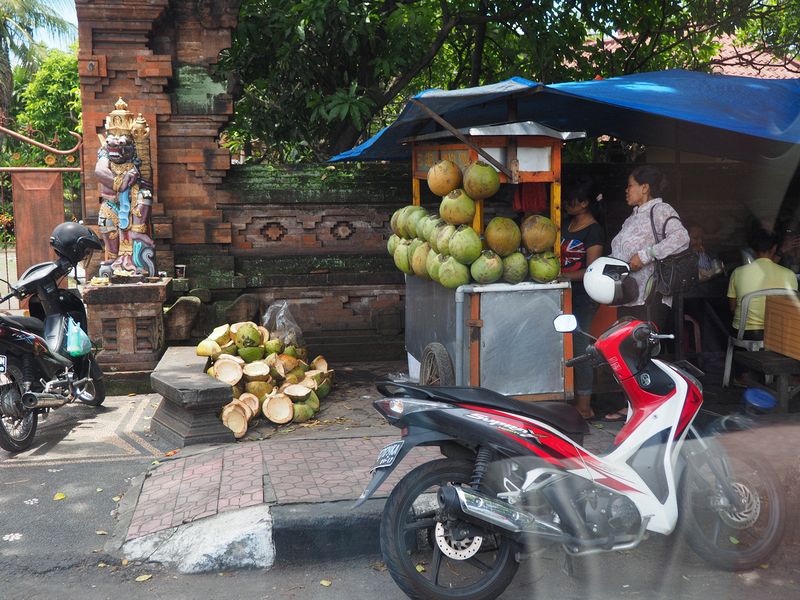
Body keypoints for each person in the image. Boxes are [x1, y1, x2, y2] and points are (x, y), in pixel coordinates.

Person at [606, 166, 690, 421]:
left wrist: (645, 255)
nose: (626, 190)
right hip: (628, 295)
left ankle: (644, 407)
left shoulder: (661, 210)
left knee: (641, 350)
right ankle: (635, 405)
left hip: (650, 295)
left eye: (630, 185)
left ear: (645, 188)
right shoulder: (632, 218)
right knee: (626, 349)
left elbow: (681, 238)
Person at [560, 178, 605, 419]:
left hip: (582, 297)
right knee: (564, 346)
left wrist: (562, 275)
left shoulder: (594, 230)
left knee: (580, 347)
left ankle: (584, 406)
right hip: (563, 293)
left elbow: (592, 269)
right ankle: (570, 398)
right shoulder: (567, 224)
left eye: (572, 200)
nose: (567, 203)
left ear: (585, 203)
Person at [727, 227, 798, 340]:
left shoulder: (738, 273)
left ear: (753, 250)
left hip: (744, 333)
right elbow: (791, 308)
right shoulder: (789, 274)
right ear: (775, 248)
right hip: (778, 333)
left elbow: (732, 308)